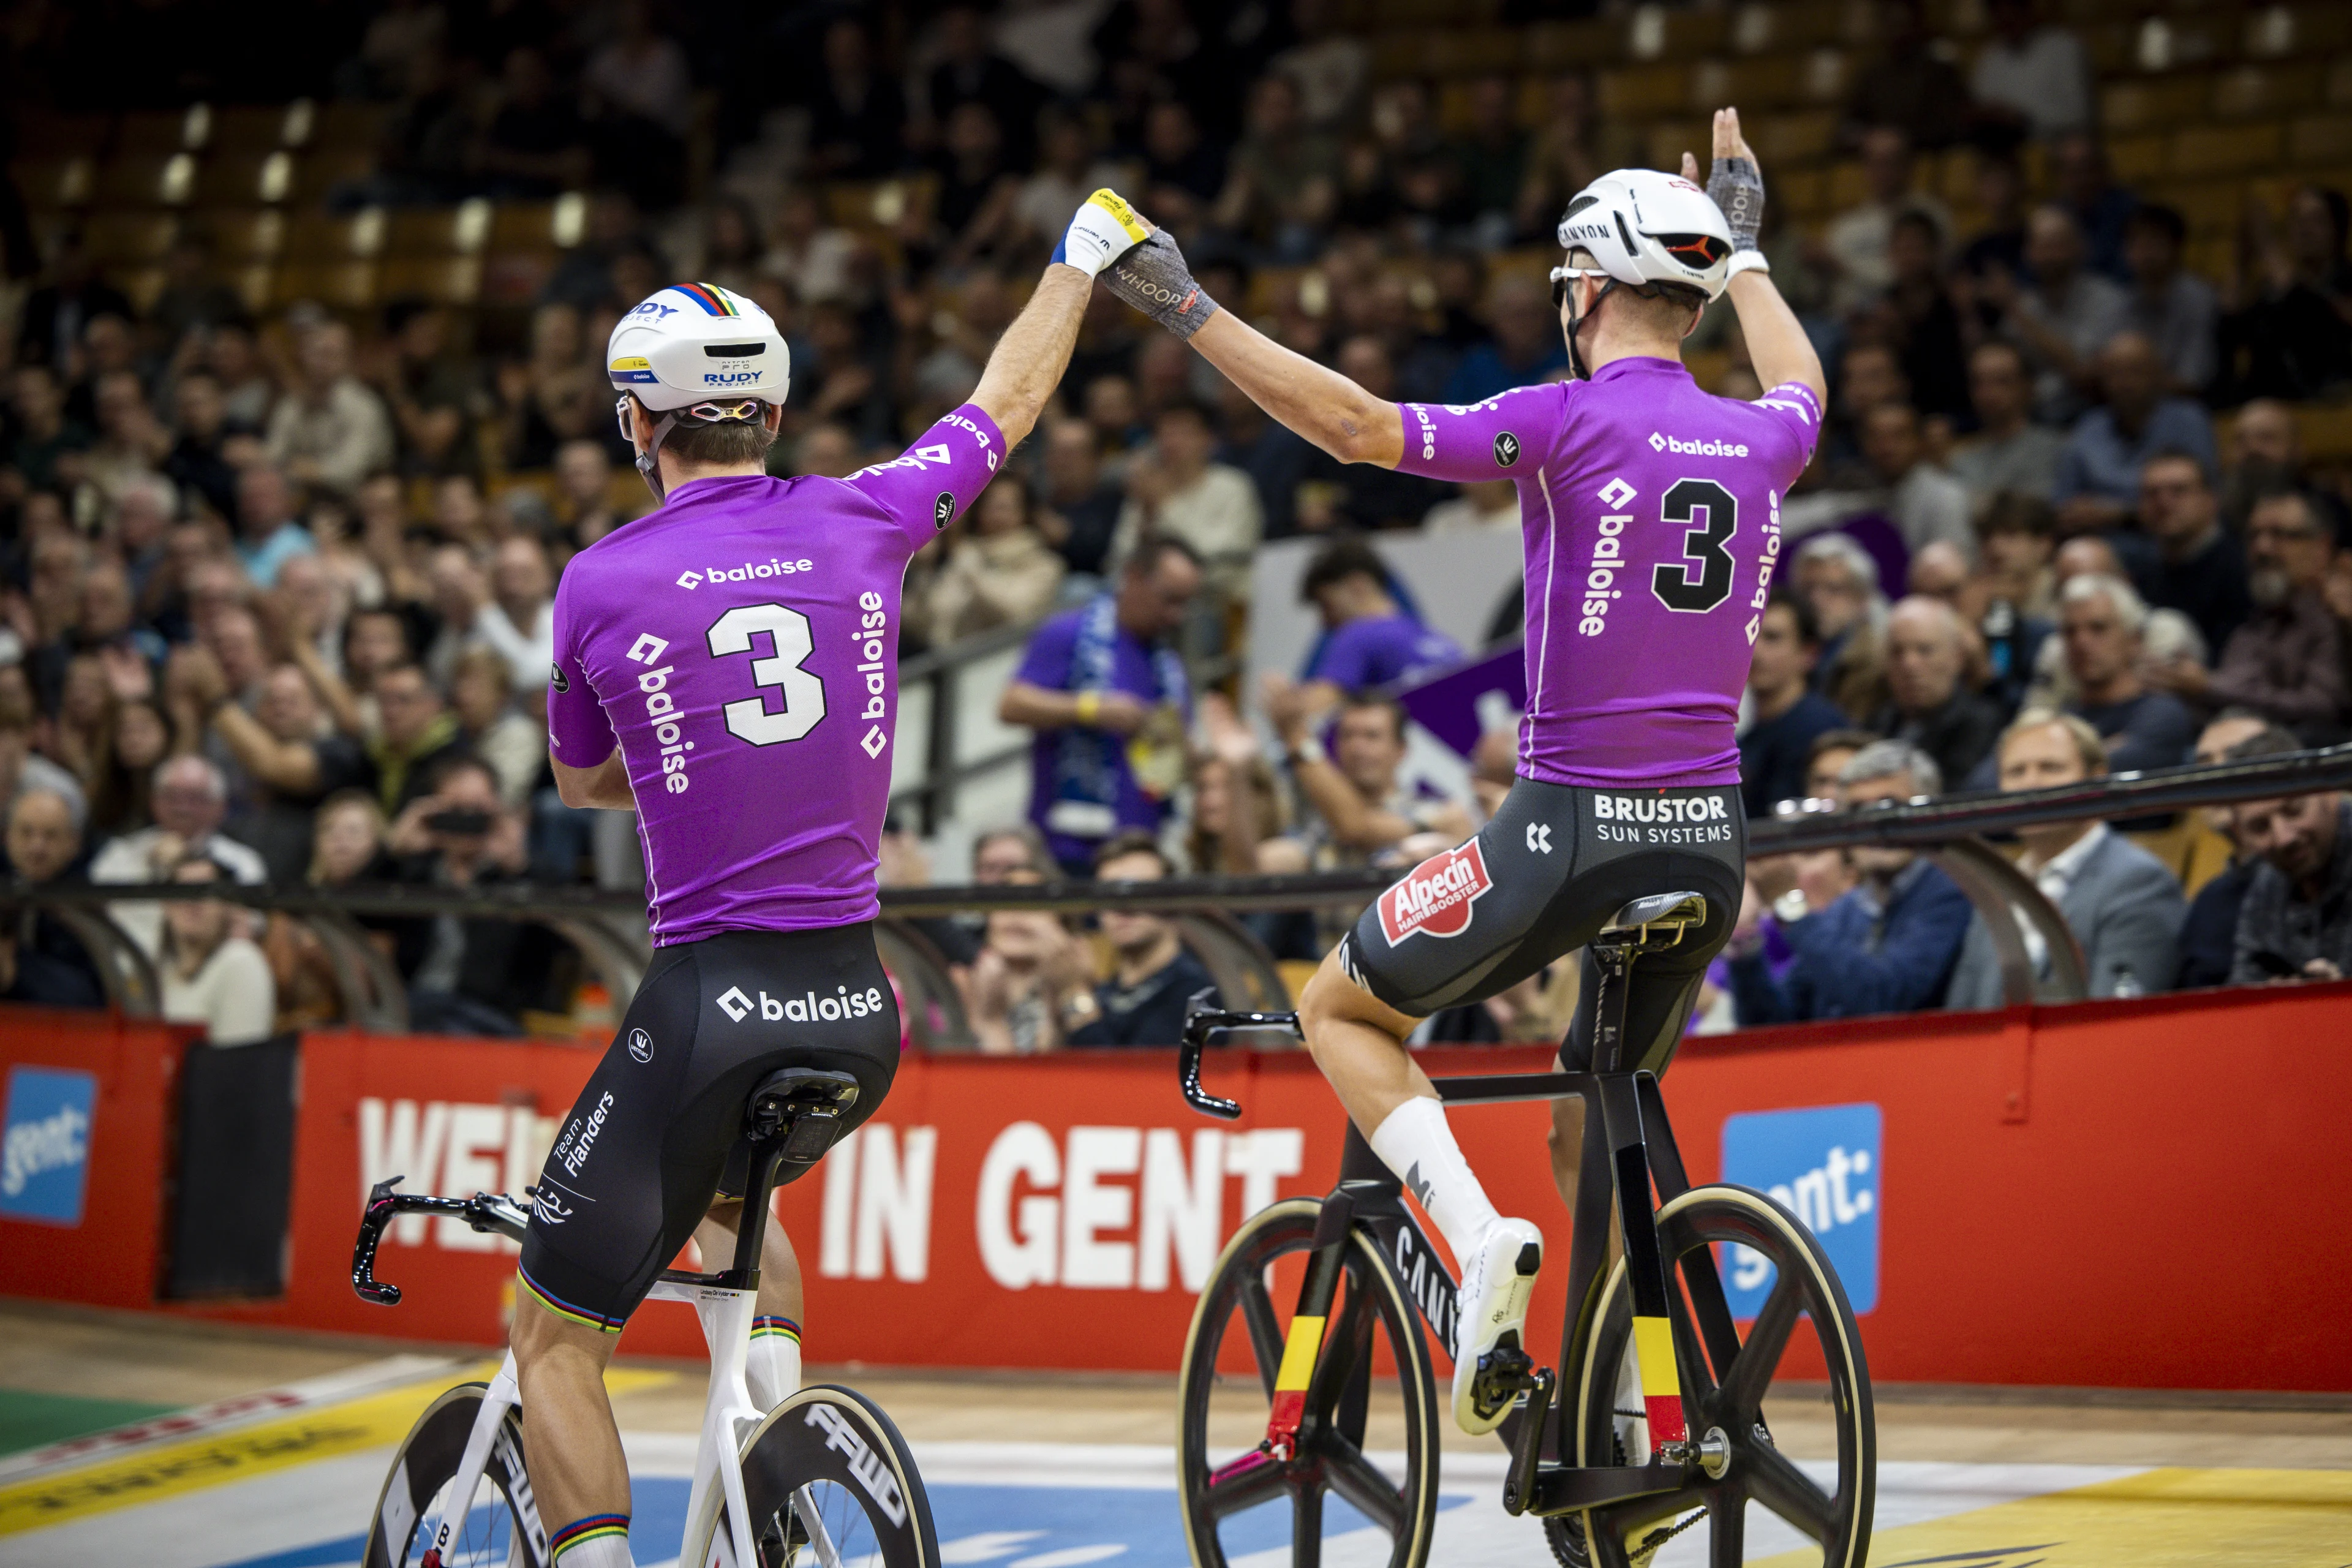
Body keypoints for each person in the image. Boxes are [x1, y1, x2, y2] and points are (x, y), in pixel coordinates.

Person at [1099, 111, 1822, 1436]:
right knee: (1593, 1122)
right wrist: (1750, 252)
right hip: (1709, 852)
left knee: (1343, 1008)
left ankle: (1476, 1239)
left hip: (1568, 834)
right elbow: (1804, 380)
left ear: (1589, 286)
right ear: (1702, 293)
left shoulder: (1562, 418)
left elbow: (1358, 425)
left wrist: (1186, 306)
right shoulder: (1767, 438)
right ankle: (1612, 1423)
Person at [516, 196, 1151, 1568]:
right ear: (774, 409)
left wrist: (687, 748)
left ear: (642, 422)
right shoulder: (869, 514)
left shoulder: (596, 582)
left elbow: (581, 783)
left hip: (704, 1005)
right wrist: (1079, 259)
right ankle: (784, 1467)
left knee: (553, 1337)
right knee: (745, 1209)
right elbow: (1007, 400)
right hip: (862, 1011)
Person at [1945, 711, 2185, 1006]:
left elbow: (2111, 1026)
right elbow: (1961, 1016)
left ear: (2097, 779)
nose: (2031, 783)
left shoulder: (2140, 882)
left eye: (2051, 768)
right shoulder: (1997, 888)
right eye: (2016, 772)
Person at [1729, 740, 1973, 1022]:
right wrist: (1745, 947)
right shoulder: (1847, 909)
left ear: (1928, 811)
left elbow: (1887, 999)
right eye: (1858, 809)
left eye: (1889, 805)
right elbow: (1774, 1022)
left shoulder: (1951, 891)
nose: (1875, 823)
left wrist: (1789, 905)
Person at [1000, 534, 1201, 875]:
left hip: (1143, 850)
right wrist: (1093, 710)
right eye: (1169, 599)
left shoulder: (1168, 664)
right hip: (1067, 844)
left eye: (1184, 604)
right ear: (1135, 578)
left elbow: (1178, 764)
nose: (1175, 616)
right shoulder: (1069, 633)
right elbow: (1012, 704)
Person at [2155, 491, 2349, 741]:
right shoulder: (2251, 628)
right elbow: (2229, 702)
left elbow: (2322, 708)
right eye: (2253, 536)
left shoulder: (2336, 618)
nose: (2262, 548)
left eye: (2280, 535)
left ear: (2321, 547)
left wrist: (2208, 687)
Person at [90, 755, 268, 956]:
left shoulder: (243, 862)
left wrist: (182, 863)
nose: (182, 807)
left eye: (195, 798)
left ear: (220, 806)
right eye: (172, 796)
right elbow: (92, 916)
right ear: (154, 801)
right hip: (126, 973)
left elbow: (250, 928)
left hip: (206, 974)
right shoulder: (121, 853)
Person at [2052, 333, 2220, 530]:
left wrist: (2120, 514)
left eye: (2135, 371)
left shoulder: (2189, 420)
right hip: (2097, 540)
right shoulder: (2089, 425)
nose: (2125, 382)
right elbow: (2062, 500)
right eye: (2115, 373)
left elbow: (2205, 500)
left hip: (2165, 539)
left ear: (2158, 375)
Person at [1065, 833, 1218, 1047]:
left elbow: (1129, 1078)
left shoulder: (1197, 992)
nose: (1123, 907)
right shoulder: (1104, 993)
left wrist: (1076, 994)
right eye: (1109, 895)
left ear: (1173, 902)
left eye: (1140, 893)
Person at [2175, 718, 2291, 989]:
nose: (2218, 774)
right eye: (2205, 764)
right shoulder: (2209, 899)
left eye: (2236, 757)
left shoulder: (2312, 881)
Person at [1290, 538, 1461, 707]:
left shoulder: (1358, 635)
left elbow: (1313, 710)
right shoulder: (1438, 639)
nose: (1324, 622)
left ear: (1358, 586)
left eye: (1327, 606)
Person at [2057, 574, 2196, 773]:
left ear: (2134, 641)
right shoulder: (2060, 718)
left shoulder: (2163, 713)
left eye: (2098, 628)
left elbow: (2112, 767)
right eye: (2070, 631)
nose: (2081, 642)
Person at [1868, 595, 2004, 790]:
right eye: (1897, 652)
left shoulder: (1982, 725)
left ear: (1957, 658)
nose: (1909, 665)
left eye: (1924, 650)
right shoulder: (1878, 722)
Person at [2230, 778, 2352, 985]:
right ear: (2241, 835)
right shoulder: (2267, 880)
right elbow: (2244, 985)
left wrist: (2340, 1001)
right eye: (2260, 827)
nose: (2284, 838)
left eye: (2294, 811)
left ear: (2330, 795)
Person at [2135, 451, 2252, 663]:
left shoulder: (2242, 569)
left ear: (2211, 500)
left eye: (2178, 491)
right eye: (2152, 493)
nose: (2163, 502)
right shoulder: (2144, 572)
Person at [1739, 592, 1847, 817]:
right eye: (1750, 634)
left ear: (1809, 654)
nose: (1755, 650)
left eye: (1772, 637)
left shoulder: (1819, 730)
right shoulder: (1750, 733)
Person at [157, 852, 276, 1045]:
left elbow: (235, 1063)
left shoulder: (240, 961)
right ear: (166, 905)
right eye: (182, 891)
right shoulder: (160, 969)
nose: (192, 903)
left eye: (204, 893)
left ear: (226, 906)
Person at [1948, 342, 2065, 506]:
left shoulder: (2054, 449)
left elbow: (2037, 513)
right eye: (1979, 382)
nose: (1988, 393)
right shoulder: (1961, 458)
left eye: (2002, 381)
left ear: (2027, 387)